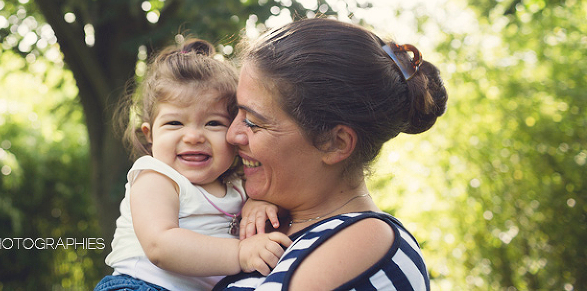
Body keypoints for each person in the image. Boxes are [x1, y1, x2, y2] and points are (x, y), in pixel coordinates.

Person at [215, 17, 448, 291]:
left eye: (253, 122)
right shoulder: (259, 219)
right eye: (235, 113)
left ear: (334, 143)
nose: (231, 135)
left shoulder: (365, 240)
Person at [96, 38, 292, 291]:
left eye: (213, 123)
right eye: (175, 123)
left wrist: (258, 205)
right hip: (139, 285)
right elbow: (160, 246)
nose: (194, 136)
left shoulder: (238, 187)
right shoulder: (156, 178)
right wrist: (240, 253)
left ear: (233, 133)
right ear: (150, 134)